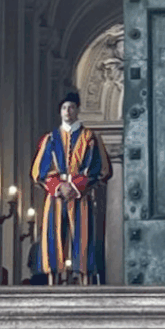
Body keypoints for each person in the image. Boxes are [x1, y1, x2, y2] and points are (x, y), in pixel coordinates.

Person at [29, 91, 113, 284]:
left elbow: (101, 169)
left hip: (81, 195)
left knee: (84, 237)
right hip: (56, 196)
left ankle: (84, 278)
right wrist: (58, 187)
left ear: (77, 110)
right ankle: (53, 278)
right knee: (54, 234)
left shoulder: (90, 138)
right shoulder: (50, 139)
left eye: (71, 107)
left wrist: (75, 187)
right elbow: (38, 171)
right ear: (60, 111)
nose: (68, 111)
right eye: (65, 107)